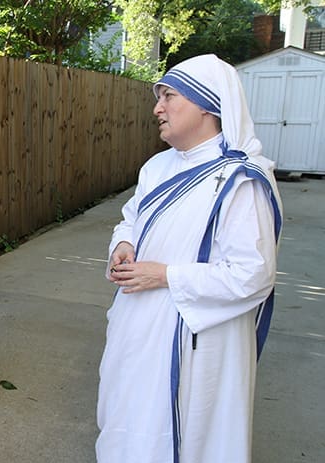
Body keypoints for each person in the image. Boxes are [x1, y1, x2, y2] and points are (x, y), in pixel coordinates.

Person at [95, 54, 283, 462]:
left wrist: (166, 276)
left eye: (169, 96)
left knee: (182, 435)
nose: (157, 108)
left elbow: (253, 275)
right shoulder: (157, 166)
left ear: (207, 105)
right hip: (136, 327)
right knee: (128, 422)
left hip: (195, 339)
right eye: (158, 96)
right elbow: (131, 219)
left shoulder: (241, 180)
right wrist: (123, 247)